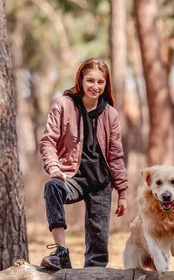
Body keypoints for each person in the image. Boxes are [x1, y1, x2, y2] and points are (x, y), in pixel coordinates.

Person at [38, 58, 128, 269]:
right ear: (80, 79)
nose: (95, 87)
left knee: (98, 255)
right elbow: (48, 141)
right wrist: (54, 167)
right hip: (71, 176)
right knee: (53, 187)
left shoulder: (110, 114)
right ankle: (60, 253)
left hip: (100, 182)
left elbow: (116, 156)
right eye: (90, 81)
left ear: (106, 84)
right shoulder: (63, 105)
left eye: (100, 82)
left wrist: (122, 192)